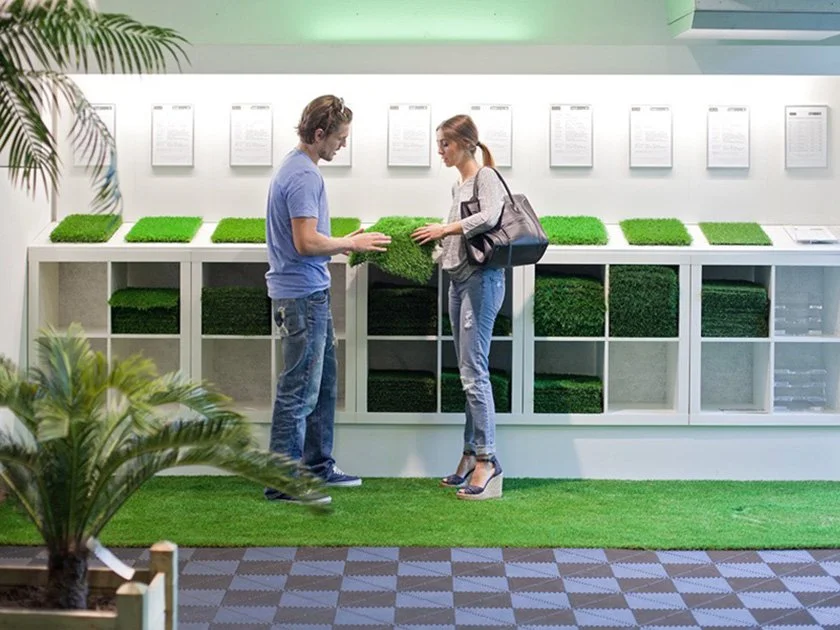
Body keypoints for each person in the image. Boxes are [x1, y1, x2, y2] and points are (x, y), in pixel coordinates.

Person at [265, 95, 391, 503]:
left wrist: (340, 242)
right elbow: (305, 242)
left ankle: (317, 466)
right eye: (340, 138)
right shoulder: (303, 175)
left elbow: (308, 239)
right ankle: (284, 481)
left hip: (310, 292)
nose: (343, 145)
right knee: (299, 389)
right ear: (319, 134)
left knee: (321, 386)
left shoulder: (298, 167)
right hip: (301, 296)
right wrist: (350, 244)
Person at [412, 114, 507, 501]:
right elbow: (457, 237)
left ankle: (488, 460)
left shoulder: (486, 176)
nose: (440, 151)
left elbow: (491, 216)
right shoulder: (459, 185)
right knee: (468, 372)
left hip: (481, 281)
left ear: (467, 143)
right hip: (458, 281)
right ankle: (470, 455)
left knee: (474, 372)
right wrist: (434, 240)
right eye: (439, 144)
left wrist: (444, 229)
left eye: (445, 144)